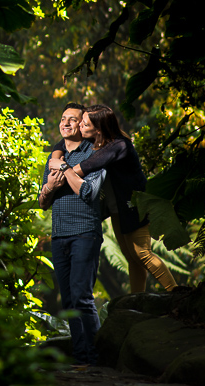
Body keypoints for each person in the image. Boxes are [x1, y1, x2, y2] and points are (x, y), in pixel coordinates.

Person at [47, 104, 178, 293]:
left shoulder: (118, 146)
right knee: (131, 256)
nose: (80, 126)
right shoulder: (95, 139)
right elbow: (61, 144)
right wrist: (57, 157)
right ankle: (137, 298)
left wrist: (61, 170)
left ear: (98, 129)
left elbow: (86, 167)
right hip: (118, 209)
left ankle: (176, 292)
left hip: (135, 205)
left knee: (142, 253)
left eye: (84, 124)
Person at [39, 102, 106, 366]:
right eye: (63, 118)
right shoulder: (53, 157)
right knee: (68, 301)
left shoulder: (95, 153)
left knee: (82, 297)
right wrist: (49, 186)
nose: (66, 123)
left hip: (85, 233)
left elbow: (89, 192)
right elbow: (42, 202)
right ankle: (81, 358)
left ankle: (97, 357)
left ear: (83, 124)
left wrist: (64, 169)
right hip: (59, 235)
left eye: (73, 119)